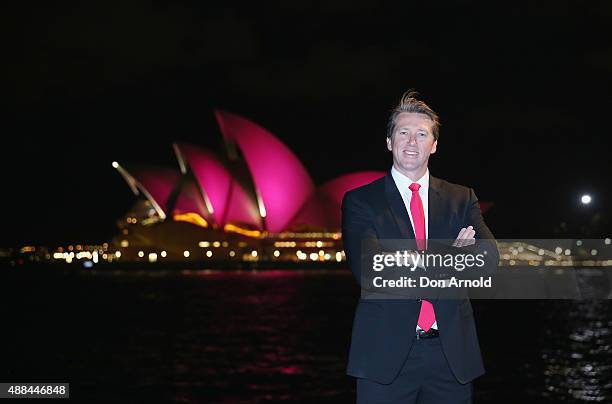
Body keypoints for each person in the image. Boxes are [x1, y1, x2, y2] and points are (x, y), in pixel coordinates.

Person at [341, 90, 499, 403]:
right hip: (384, 355)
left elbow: (489, 259)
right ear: (389, 142)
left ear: (434, 145)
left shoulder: (461, 198)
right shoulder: (361, 201)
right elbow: (372, 272)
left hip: (451, 354)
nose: (412, 142)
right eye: (403, 132)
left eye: (422, 134)